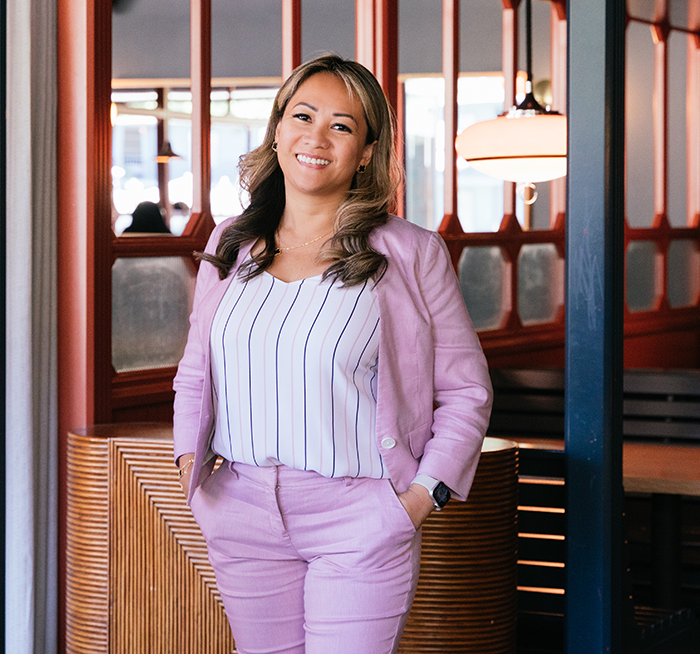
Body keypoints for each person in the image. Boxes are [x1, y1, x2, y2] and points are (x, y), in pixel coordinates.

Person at [172, 54, 492, 654]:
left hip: (359, 515)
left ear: (367, 150)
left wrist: (420, 498)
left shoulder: (411, 253)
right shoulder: (231, 242)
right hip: (239, 509)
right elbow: (196, 371)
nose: (316, 138)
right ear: (276, 129)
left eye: (342, 126)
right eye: (303, 116)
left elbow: (467, 392)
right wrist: (191, 468)